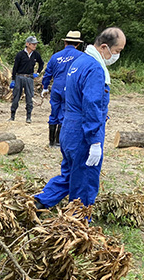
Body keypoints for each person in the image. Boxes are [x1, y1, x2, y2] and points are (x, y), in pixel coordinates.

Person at [34, 28, 126, 211]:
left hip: (69, 127)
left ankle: (37, 203)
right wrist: (94, 141)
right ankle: (78, 221)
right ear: (105, 47)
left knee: (69, 175)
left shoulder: (79, 62)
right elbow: (91, 105)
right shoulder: (95, 68)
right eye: (117, 51)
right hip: (83, 133)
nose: (116, 56)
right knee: (84, 180)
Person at [41, 31, 84, 147]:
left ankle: (51, 141)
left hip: (56, 87)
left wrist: (45, 87)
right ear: (78, 44)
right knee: (65, 112)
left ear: (65, 42)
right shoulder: (80, 56)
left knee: (54, 111)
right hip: (70, 88)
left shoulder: (55, 56)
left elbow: (47, 74)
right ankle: (59, 141)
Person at [10, 36, 44, 123]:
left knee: (29, 97)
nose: (35, 46)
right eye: (33, 44)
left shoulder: (36, 54)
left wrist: (38, 72)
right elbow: (15, 67)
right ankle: (12, 115)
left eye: (35, 44)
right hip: (19, 77)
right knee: (16, 97)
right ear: (27, 44)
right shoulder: (20, 54)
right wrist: (13, 79)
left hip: (29, 78)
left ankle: (28, 116)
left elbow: (41, 63)